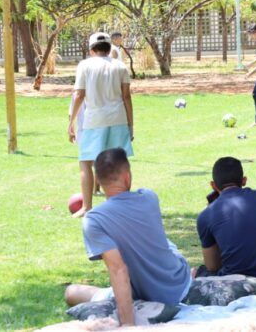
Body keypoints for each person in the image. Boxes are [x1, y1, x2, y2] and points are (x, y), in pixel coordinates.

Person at [64, 148, 192, 327]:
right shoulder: (149, 197)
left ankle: (105, 294)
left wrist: (128, 326)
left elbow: (118, 271)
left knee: (71, 293)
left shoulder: (94, 220)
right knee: (166, 243)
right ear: (127, 177)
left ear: (98, 182)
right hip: (180, 286)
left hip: (140, 295)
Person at [68, 32, 133, 218]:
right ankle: (118, 205)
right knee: (119, 163)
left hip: (94, 120)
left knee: (85, 163)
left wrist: (71, 122)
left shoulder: (85, 65)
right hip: (118, 118)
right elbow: (127, 97)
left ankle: (87, 207)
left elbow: (79, 95)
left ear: (91, 49)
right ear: (109, 47)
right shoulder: (120, 66)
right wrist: (131, 125)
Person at [195, 157, 256, 279]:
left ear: (213, 185)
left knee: (195, 272)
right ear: (244, 180)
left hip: (234, 283)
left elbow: (212, 266)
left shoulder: (206, 215)